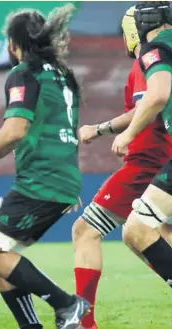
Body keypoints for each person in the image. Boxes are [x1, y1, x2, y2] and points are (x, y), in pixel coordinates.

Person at [0, 5, 89, 329]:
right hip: (58, 179)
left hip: (40, 182)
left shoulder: (24, 73)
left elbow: (15, 130)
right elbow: (64, 130)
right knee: (1, 255)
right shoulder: (62, 75)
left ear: (14, 43)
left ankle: (67, 305)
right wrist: (68, 182)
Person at [72, 6, 172, 329]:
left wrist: (116, 133)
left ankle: (84, 324)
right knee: (146, 233)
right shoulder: (143, 63)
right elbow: (145, 107)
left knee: (93, 230)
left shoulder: (153, 54)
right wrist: (104, 130)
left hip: (149, 165)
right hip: (153, 165)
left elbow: (154, 101)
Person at [112, 1, 172, 289]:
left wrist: (127, 134)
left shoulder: (157, 48)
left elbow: (158, 94)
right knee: (156, 229)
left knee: (136, 230)